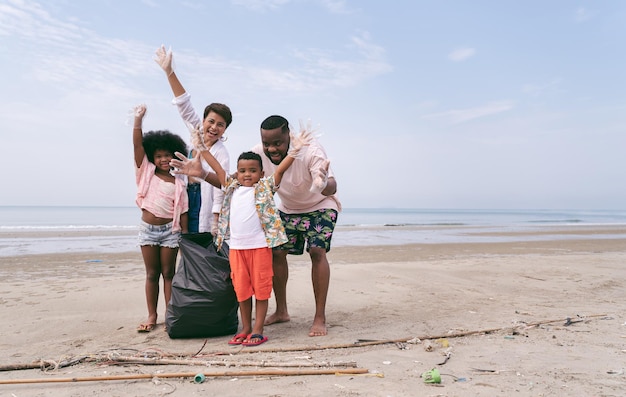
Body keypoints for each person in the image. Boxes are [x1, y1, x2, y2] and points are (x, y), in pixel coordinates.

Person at [169, 130, 312, 346]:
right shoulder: (231, 188)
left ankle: (258, 329)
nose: (247, 174)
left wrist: (296, 149)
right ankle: (245, 328)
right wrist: (201, 148)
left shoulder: (264, 187)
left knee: (261, 290)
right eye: (242, 170)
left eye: (253, 171)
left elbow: (281, 169)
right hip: (236, 250)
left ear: (261, 173)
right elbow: (216, 167)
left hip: (260, 248)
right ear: (236, 172)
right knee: (242, 291)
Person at [251, 117, 341, 337]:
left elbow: (331, 186)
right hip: (289, 208)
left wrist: (322, 185)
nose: (271, 149)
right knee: (276, 252)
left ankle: (320, 317)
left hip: (321, 205)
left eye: (278, 143)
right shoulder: (258, 154)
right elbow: (245, 177)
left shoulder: (311, 150)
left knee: (317, 251)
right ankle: (281, 311)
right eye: (266, 143)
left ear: (288, 136)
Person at [154, 45, 232, 235]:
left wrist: (216, 219)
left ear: (224, 130)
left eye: (220, 125)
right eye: (211, 121)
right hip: (184, 196)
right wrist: (169, 72)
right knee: (183, 242)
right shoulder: (195, 133)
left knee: (201, 246)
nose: (214, 128)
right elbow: (184, 104)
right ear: (203, 121)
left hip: (203, 200)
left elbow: (222, 187)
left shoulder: (221, 152)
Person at [132, 104, 189, 333]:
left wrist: (184, 238)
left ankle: (170, 315)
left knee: (169, 274)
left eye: (167, 155)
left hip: (170, 232)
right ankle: (152, 315)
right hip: (148, 230)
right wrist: (138, 121)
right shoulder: (146, 172)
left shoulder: (179, 183)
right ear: (152, 157)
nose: (164, 159)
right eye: (159, 156)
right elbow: (137, 145)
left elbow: (183, 211)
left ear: (174, 155)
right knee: (151, 274)